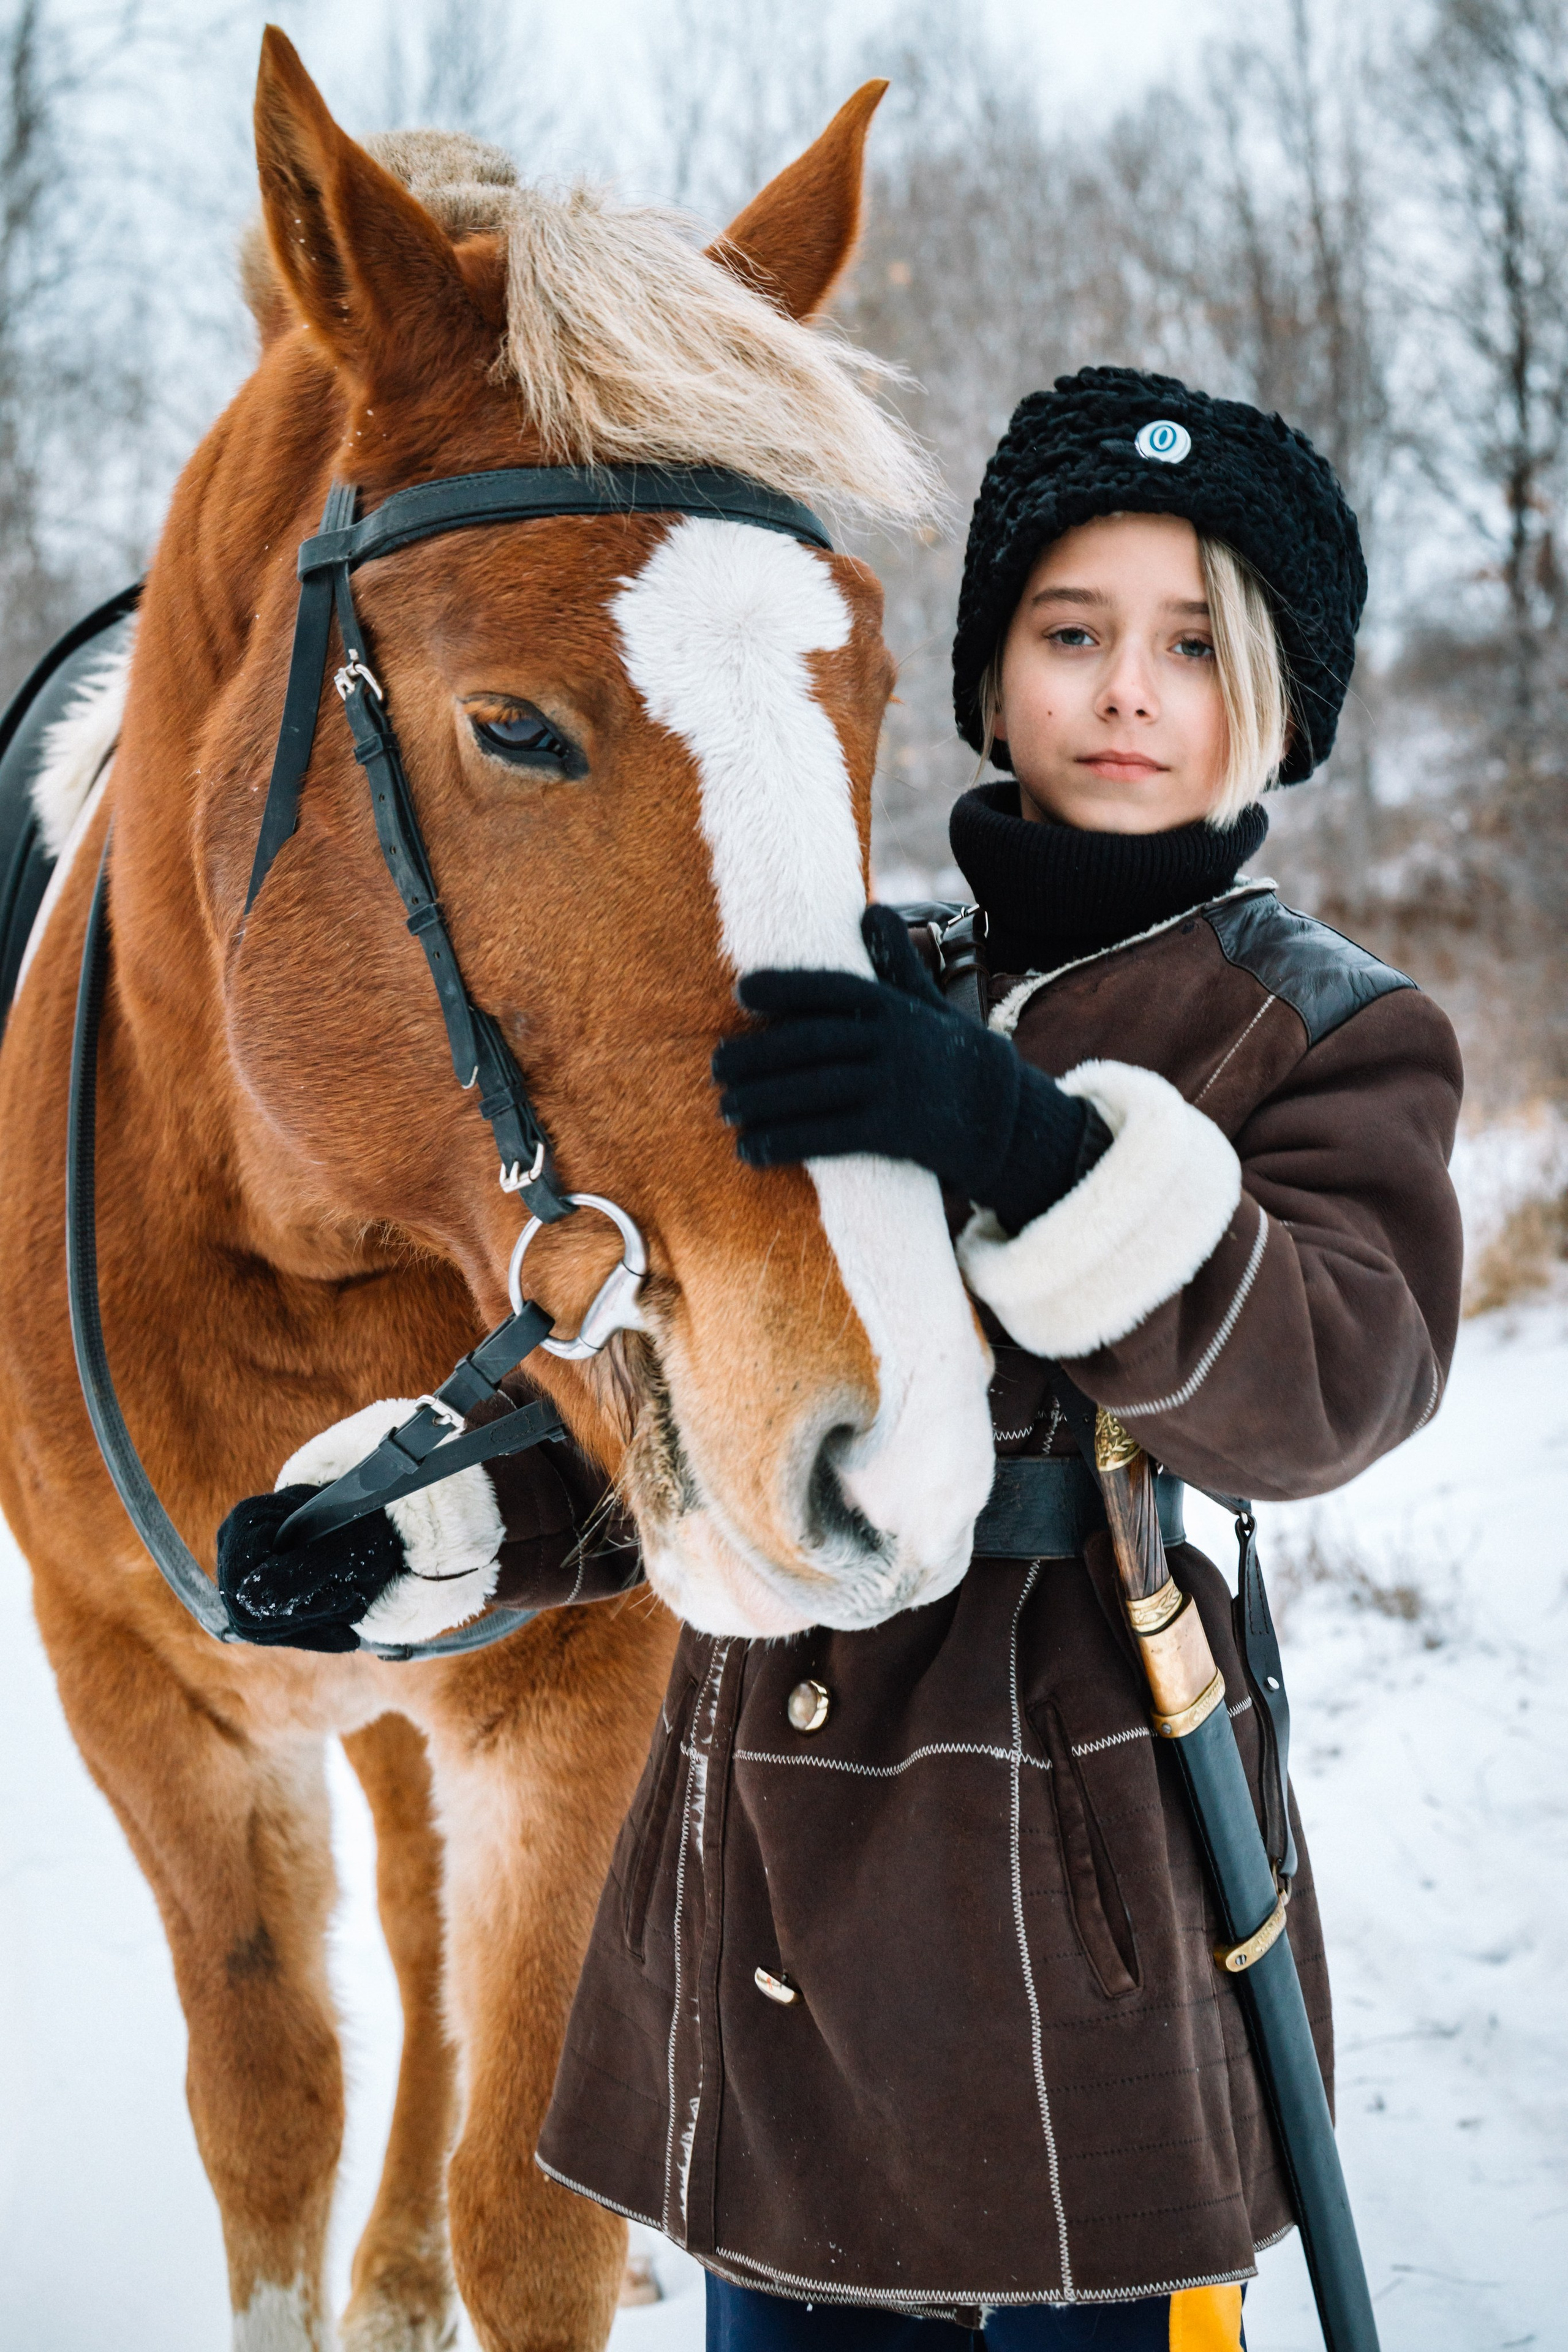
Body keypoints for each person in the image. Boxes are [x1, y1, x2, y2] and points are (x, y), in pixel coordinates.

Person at [221, 368, 1465, 2348]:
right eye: (1073, 636)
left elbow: (1338, 1381)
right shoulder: (847, 982)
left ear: (1280, 709)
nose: (1127, 690)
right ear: (988, 683)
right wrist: (433, 1519)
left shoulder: (1319, 1025)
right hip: (776, 1915)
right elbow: (709, 1380)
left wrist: (1028, 1147)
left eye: (1194, 647)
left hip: (1090, 1914)